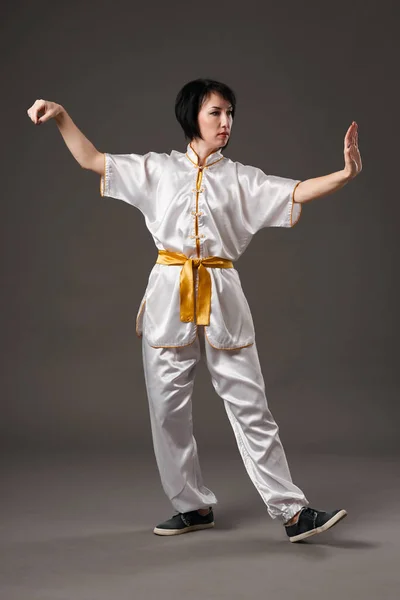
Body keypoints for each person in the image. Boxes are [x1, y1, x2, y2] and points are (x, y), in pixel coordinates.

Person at [26, 78, 362, 543]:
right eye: (216, 113)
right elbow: (92, 160)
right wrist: (61, 115)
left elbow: (296, 192)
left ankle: (292, 512)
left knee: (251, 406)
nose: (226, 123)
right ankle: (191, 506)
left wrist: (344, 174)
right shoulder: (156, 171)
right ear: (192, 117)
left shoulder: (243, 177)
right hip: (168, 294)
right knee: (167, 410)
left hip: (222, 295)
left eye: (230, 114)